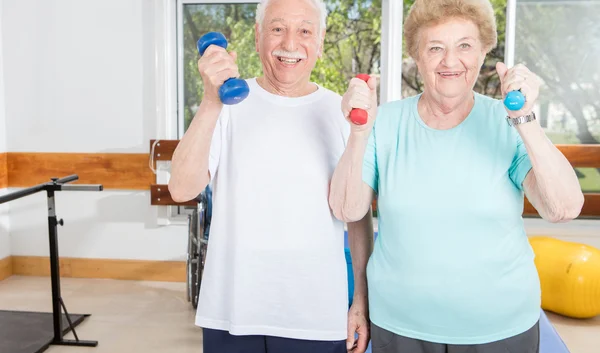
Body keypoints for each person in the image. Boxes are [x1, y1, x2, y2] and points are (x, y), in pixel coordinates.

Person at [328, 0, 585, 352]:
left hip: (501, 328)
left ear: (482, 54)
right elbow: (348, 210)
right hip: (400, 326)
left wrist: (525, 118)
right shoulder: (384, 122)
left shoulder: (507, 122)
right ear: (417, 57)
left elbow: (563, 208)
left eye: (464, 45)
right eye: (435, 48)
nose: (450, 61)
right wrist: (359, 133)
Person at [168, 0, 373, 352]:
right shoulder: (226, 105)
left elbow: (357, 219)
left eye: (304, 31)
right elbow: (181, 188)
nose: (290, 44)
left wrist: (361, 301)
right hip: (232, 312)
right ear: (259, 35)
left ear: (321, 41)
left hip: (317, 317)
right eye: (277, 29)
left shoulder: (343, 113)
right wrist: (210, 101)